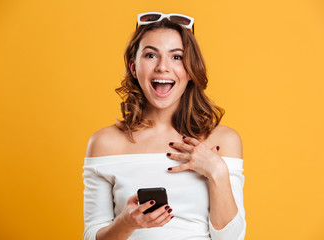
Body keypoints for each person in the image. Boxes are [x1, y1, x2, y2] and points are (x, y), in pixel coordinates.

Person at [83, 12, 246, 240]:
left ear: (190, 70)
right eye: (151, 55)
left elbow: (231, 238)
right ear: (133, 66)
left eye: (176, 57)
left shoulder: (222, 141)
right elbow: (92, 236)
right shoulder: (104, 143)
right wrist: (126, 223)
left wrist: (216, 171)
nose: (162, 67)